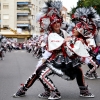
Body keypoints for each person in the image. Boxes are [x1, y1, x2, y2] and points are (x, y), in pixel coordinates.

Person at [13, 0, 94, 99]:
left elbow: (71, 43)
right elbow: (59, 44)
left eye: (58, 22)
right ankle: (50, 91)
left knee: (78, 69)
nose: (57, 24)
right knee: (40, 72)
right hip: (55, 61)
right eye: (54, 23)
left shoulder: (64, 32)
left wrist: (78, 41)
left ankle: (84, 91)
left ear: (60, 22)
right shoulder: (50, 35)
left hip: (67, 61)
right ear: (51, 24)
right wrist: (69, 40)